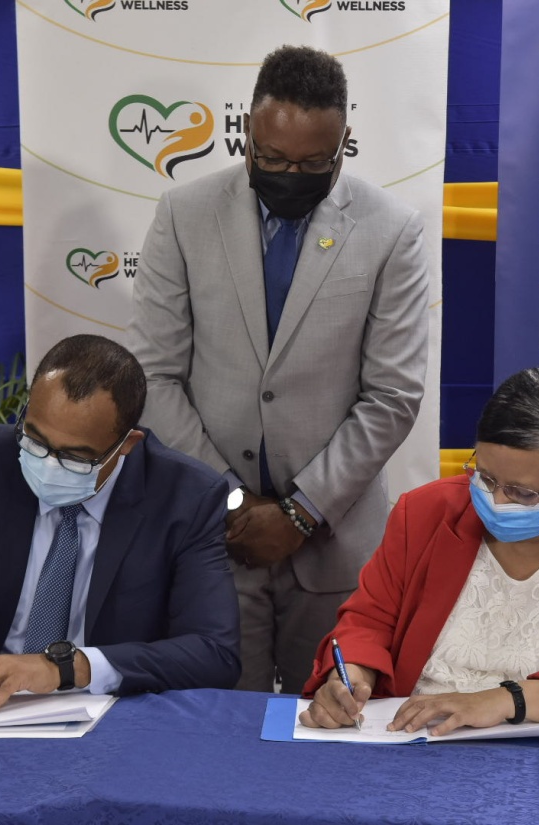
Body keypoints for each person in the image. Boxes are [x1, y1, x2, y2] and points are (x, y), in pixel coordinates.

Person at [128, 45, 428, 695]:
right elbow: (154, 375)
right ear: (246, 136)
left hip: (334, 546)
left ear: (344, 143)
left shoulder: (393, 230)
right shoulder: (184, 215)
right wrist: (234, 503)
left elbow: (393, 394)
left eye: (312, 162)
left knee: (325, 746)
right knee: (218, 743)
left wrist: (299, 512)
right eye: (272, 158)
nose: (289, 173)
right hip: (212, 539)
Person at [0, 335, 240, 716]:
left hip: (113, 721)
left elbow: (213, 652)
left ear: (127, 444)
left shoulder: (186, 497)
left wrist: (68, 667)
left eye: (75, 457)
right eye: (35, 440)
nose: (48, 464)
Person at [299, 368, 539, 734]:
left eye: (523, 492)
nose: (498, 502)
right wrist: (350, 676)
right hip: (415, 742)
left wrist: (507, 700)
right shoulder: (423, 515)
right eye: (485, 477)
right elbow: (368, 622)